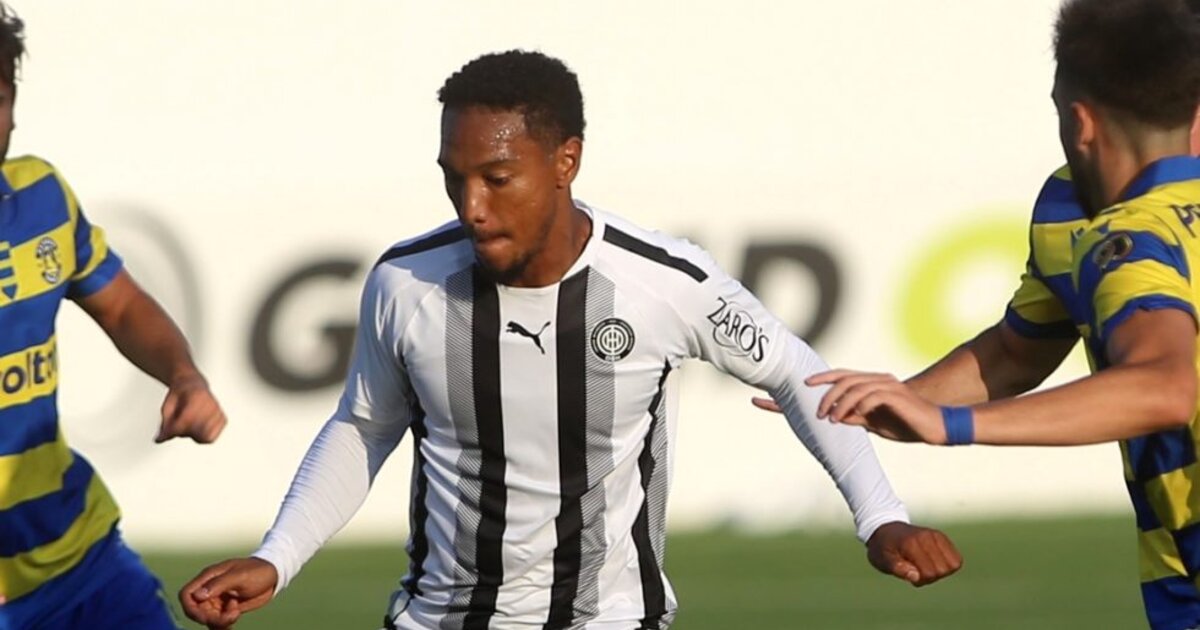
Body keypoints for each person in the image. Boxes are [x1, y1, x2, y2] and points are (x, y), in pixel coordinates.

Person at [179, 50, 961, 630]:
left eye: (496, 177)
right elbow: (364, 426)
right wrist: (277, 557)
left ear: (566, 161)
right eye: (454, 177)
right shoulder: (405, 284)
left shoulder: (663, 284)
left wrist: (880, 517)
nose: (471, 205)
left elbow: (798, 376)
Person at [761, 0, 1200, 628]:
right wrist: (899, 402)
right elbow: (1018, 350)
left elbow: (1163, 387)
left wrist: (949, 423)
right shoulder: (1071, 213)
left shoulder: (1129, 238)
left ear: (1080, 122)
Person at [0, 4, 229, 629]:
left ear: (13, 101)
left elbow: (122, 304)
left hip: (80, 560)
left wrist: (184, 376)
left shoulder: (42, 197)